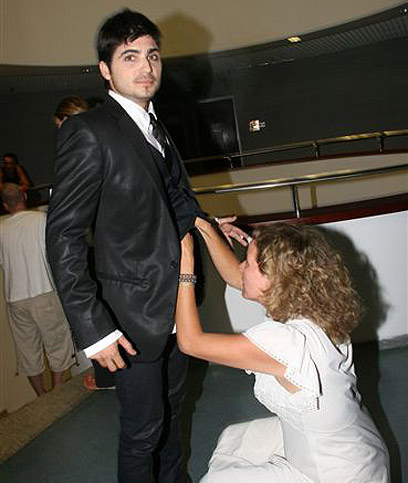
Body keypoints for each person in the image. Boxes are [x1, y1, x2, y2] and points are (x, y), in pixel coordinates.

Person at [46, 9, 207, 483]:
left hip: (176, 303)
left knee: (174, 415)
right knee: (142, 433)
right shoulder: (88, 131)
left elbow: (169, 200)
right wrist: (94, 328)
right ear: (105, 69)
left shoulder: (157, 126)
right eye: (130, 56)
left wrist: (211, 225)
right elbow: (63, 236)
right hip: (129, 317)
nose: (146, 67)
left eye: (153, 55)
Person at [176, 220, 390, 482]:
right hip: (352, 444)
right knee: (237, 438)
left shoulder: (287, 343)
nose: (241, 266)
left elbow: (191, 342)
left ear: (274, 280)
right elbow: (236, 276)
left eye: (248, 263)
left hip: (336, 473)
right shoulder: (312, 301)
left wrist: (186, 265)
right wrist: (205, 227)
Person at [53, 94, 115, 392]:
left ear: (62, 121)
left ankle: (106, 376)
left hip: (89, 242)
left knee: (93, 299)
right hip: (107, 242)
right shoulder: (105, 135)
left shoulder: (77, 141)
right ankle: (110, 374)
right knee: (108, 300)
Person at [0, 183, 75, 396]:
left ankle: (41, 397)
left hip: (15, 299)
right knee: (58, 345)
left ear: (5, 205)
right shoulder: (42, 221)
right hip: (44, 291)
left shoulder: (1, 229)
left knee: (27, 352)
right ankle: (57, 393)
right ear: (24, 196)